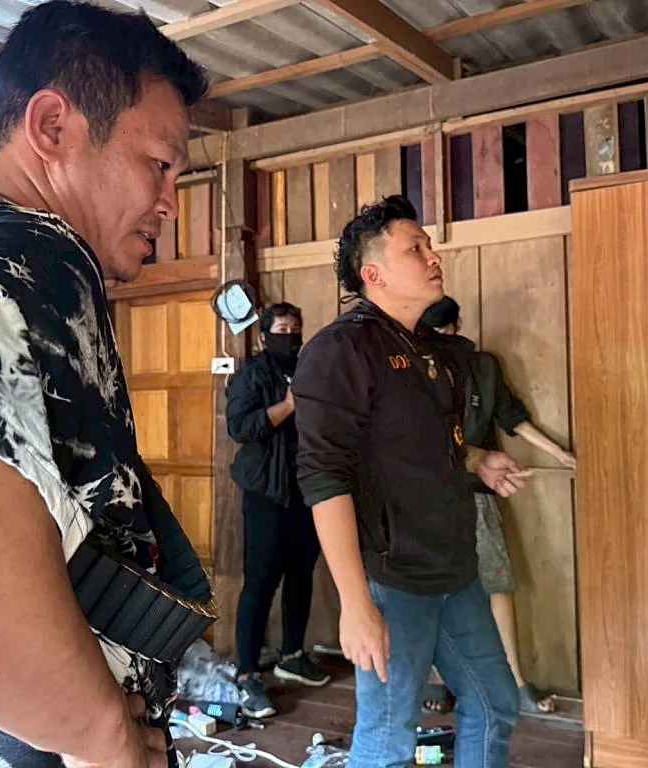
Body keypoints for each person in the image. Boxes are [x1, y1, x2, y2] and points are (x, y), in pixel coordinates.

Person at [0, 3, 213, 767]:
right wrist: (98, 733)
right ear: (53, 127)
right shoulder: (31, 250)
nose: (169, 201)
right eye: (160, 163)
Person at [293, 195, 528, 767]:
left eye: (429, 245)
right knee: (387, 739)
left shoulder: (435, 351)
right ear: (372, 274)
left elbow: (424, 444)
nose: (433, 255)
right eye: (415, 248)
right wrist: (355, 605)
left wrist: (477, 460)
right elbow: (324, 478)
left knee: (496, 703)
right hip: (390, 577)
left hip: (453, 567)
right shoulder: (339, 351)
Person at [421, 296, 577, 716]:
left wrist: (559, 453)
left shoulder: (482, 367)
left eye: (446, 331)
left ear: (459, 326)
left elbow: (512, 417)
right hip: (427, 494)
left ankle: (516, 678)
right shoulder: (416, 366)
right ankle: (439, 678)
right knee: (431, 588)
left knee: (496, 583)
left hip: (479, 489)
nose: (441, 340)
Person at [226, 302, 329, 718]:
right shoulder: (250, 376)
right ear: (265, 335)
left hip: (307, 491)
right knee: (260, 584)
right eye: (282, 330)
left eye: (295, 329)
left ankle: (292, 656)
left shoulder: (309, 370)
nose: (290, 336)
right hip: (266, 494)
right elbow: (239, 427)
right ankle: (248, 674)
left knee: (301, 576)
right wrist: (287, 406)